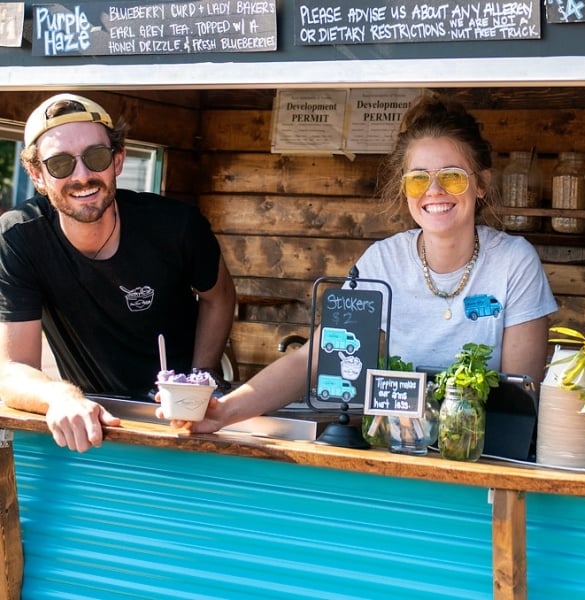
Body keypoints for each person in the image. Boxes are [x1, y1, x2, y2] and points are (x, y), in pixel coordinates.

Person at [176, 94, 557, 433]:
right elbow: (318, 354)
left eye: (452, 177)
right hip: (395, 447)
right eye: (418, 179)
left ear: (482, 184)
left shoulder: (513, 262)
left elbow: (519, 396)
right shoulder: (382, 261)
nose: (434, 191)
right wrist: (224, 411)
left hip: (479, 453)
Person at [0, 93, 236, 452]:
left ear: (118, 160)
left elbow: (219, 296)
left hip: (189, 424)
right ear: (37, 175)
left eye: (95, 157)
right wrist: (60, 397)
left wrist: (200, 379)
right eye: (60, 164)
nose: (82, 176)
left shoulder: (175, 225)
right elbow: (12, 369)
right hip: (94, 421)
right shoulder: (19, 237)